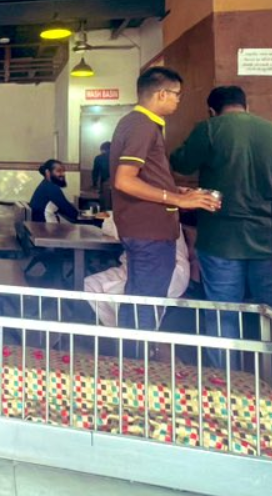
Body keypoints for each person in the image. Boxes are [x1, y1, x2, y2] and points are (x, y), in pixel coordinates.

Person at [170, 86, 272, 368]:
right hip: (269, 238)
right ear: (245, 104)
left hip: (222, 239)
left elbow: (181, 163)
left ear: (212, 110)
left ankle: (228, 383)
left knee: (223, 313)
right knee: (271, 313)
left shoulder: (210, 129)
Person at [110, 67, 219, 341]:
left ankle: (131, 361)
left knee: (137, 297)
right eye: (177, 95)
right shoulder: (142, 126)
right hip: (150, 232)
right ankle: (138, 371)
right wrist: (177, 199)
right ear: (161, 94)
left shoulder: (135, 123)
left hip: (143, 229)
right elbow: (125, 180)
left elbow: (142, 177)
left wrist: (174, 188)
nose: (178, 100)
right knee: (146, 302)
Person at [86, 215, 191, 328]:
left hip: (169, 272)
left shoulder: (157, 214)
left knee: (122, 296)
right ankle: (121, 333)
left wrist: (111, 219)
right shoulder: (133, 212)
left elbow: (113, 229)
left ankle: (137, 337)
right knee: (90, 285)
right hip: (133, 268)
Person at [29, 159, 83, 223]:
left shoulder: (45, 185)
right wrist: (84, 215)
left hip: (41, 227)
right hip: (46, 229)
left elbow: (64, 207)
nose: (63, 174)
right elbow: (70, 211)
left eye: (63, 171)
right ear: (48, 172)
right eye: (59, 171)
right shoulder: (51, 188)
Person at [92, 141, 112, 210]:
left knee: (104, 204)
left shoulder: (99, 158)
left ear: (103, 149)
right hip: (117, 185)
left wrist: (94, 184)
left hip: (104, 183)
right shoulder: (118, 157)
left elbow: (95, 172)